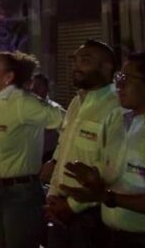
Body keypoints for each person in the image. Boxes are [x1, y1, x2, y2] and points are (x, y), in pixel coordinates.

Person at [0, 51, 65, 248]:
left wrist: (55, 161)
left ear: (8, 77)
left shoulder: (22, 102)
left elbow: (67, 122)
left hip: (21, 193)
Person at [60, 52, 145, 247]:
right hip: (108, 233)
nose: (119, 85)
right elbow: (104, 166)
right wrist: (93, 180)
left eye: (127, 78)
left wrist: (107, 197)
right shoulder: (116, 119)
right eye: (119, 77)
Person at [46, 40, 125, 248]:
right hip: (59, 209)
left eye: (85, 61)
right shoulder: (76, 102)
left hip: (91, 214)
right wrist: (53, 195)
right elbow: (63, 151)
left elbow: (111, 168)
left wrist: (71, 206)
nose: (76, 67)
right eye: (75, 60)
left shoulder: (117, 107)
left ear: (107, 67)